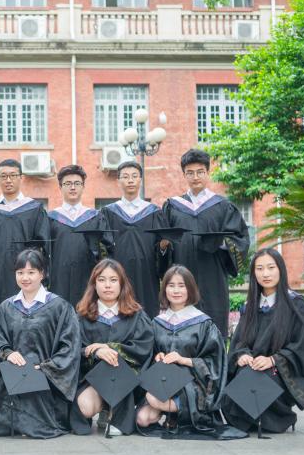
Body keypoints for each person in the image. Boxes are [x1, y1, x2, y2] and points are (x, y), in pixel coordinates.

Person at [0, 249, 83, 439]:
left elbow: (70, 347)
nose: (25, 278)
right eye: (20, 272)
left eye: (31, 272)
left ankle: (29, 425)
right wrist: (7, 353)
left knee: (35, 391)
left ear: (42, 274)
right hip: (13, 372)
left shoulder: (60, 307)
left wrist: (46, 367)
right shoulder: (6, 308)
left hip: (47, 375)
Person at [221, 248, 304, 434]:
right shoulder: (250, 306)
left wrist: (273, 360)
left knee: (258, 380)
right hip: (252, 368)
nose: (265, 274)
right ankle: (256, 418)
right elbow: (239, 342)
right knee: (240, 381)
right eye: (259, 269)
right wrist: (242, 355)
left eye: (270, 267)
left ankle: (280, 417)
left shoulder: (297, 305)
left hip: (280, 372)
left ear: (280, 269)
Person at [162, 149, 249, 337]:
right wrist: (163, 247)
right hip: (180, 279)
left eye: (200, 172)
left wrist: (221, 243)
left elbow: (240, 238)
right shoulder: (173, 207)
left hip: (213, 279)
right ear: (184, 175)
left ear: (208, 172)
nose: (195, 177)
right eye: (190, 173)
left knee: (213, 329)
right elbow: (162, 245)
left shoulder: (222, 206)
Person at [135, 265, 231, 437]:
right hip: (164, 379)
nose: (176, 290)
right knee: (142, 419)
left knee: (153, 398)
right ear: (165, 289)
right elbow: (148, 353)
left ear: (190, 289)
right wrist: (157, 355)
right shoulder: (157, 322)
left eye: (181, 285)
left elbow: (216, 361)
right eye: (171, 285)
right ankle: (172, 412)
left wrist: (184, 360)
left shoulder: (203, 323)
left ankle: (179, 414)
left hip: (192, 382)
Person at [71, 259, 154, 436]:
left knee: (115, 365)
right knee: (84, 406)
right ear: (94, 285)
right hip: (93, 379)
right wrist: (95, 351)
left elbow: (143, 347)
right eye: (101, 280)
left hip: (128, 381)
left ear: (122, 284)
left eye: (113, 280)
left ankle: (119, 414)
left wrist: (109, 348)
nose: (107, 285)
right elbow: (73, 349)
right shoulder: (82, 317)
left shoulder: (136, 315)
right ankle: (105, 407)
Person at [0, 159, 50, 310]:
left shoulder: (34, 209)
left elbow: (43, 246)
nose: (8, 180)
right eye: (3, 176)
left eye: (13, 175)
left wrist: (39, 277)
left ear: (21, 178)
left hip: (28, 279)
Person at [100, 161, 170, 313]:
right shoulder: (108, 212)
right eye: (125, 177)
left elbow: (161, 249)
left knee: (147, 314)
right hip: (118, 274)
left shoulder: (153, 212)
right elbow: (104, 248)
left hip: (147, 274)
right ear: (118, 181)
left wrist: (163, 248)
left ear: (140, 180)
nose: (130, 180)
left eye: (134, 176)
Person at [47, 164, 112, 305]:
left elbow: (106, 250)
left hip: (88, 279)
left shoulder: (95, 217)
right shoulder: (50, 218)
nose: (72, 187)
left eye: (77, 183)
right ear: (60, 187)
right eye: (68, 184)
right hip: (58, 280)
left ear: (83, 187)